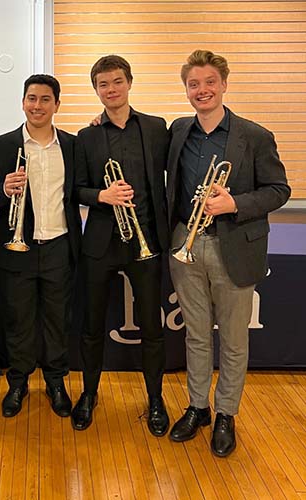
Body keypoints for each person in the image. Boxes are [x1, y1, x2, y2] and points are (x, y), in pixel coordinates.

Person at [167, 50, 291, 456]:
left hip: (233, 243)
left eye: (208, 82)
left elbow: (278, 190)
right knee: (197, 336)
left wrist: (234, 203)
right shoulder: (178, 130)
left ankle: (226, 414)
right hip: (186, 241)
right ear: (186, 89)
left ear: (223, 84)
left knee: (234, 340)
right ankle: (198, 407)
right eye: (193, 84)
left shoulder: (254, 136)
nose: (201, 90)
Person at [72, 55, 170, 435]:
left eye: (117, 82)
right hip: (101, 242)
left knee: (152, 327)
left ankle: (156, 399)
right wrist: (102, 195)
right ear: (95, 89)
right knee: (92, 325)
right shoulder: (87, 136)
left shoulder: (157, 127)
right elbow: (77, 189)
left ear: (129, 82)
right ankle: (89, 393)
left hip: (145, 241)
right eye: (103, 84)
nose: (111, 90)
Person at [0, 74, 81, 418]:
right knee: (19, 321)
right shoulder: (1, 146)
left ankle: (55, 382)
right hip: (16, 250)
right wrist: (2, 190)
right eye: (31, 98)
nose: (37, 106)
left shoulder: (72, 145)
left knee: (57, 320)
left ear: (56, 105)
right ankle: (18, 382)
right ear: (23, 102)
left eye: (45, 99)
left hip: (58, 246)